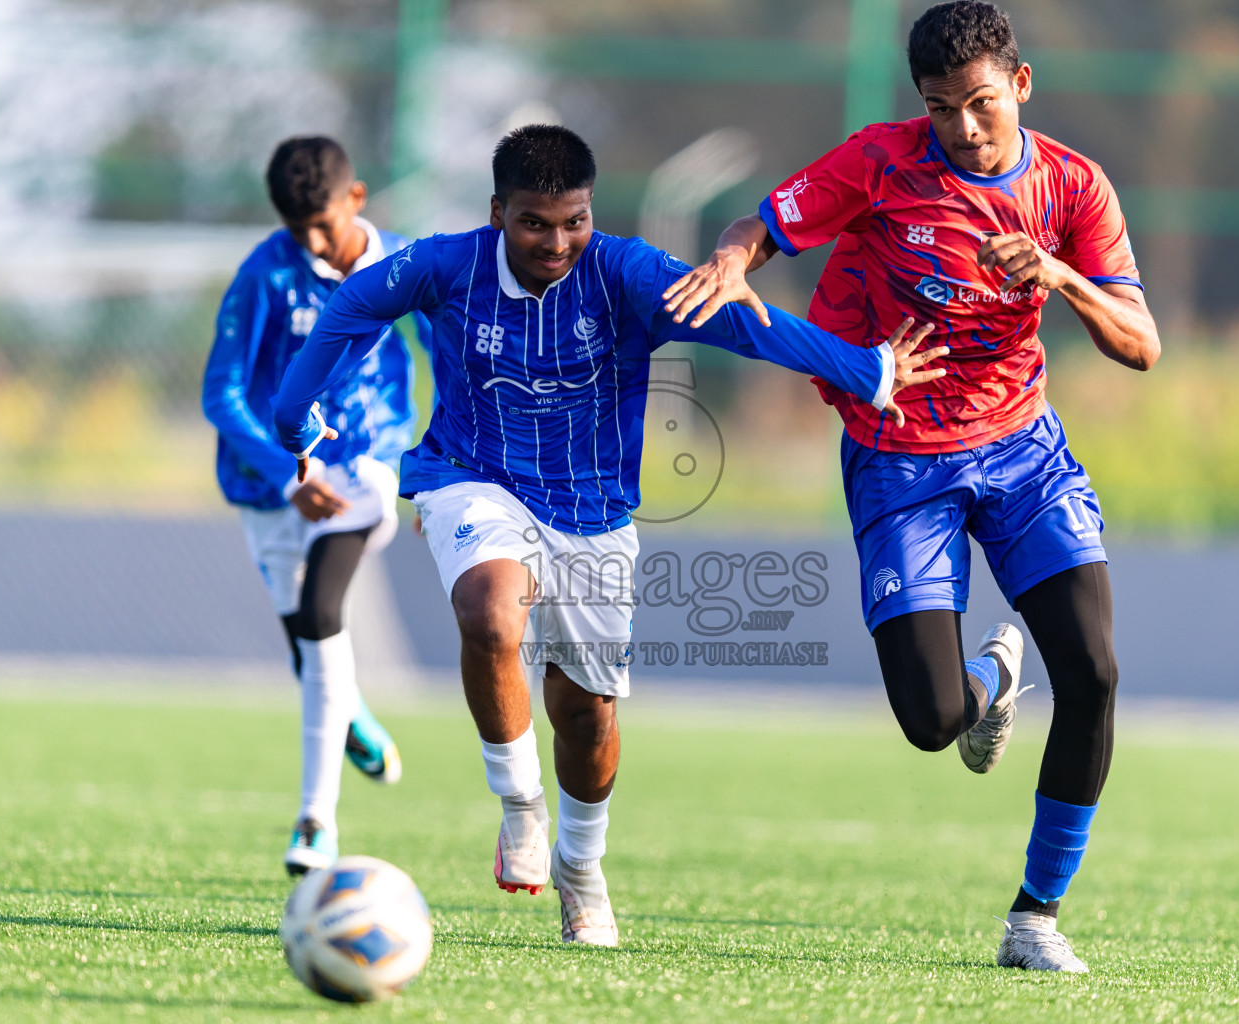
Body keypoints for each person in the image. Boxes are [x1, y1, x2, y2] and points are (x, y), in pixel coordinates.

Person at [272, 124, 940, 946]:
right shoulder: (448, 266)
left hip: (593, 511)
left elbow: (746, 327)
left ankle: (581, 870)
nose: (556, 242)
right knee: (490, 613)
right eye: (534, 224)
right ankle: (519, 805)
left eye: (573, 222)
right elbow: (350, 305)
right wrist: (291, 411)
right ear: (497, 213)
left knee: (586, 715)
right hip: (470, 475)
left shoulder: (627, 273)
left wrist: (866, 370)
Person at [663, 1, 1160, 972]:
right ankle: (986, 685)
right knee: (934, 722)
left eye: (980, 104)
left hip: (1024, 452)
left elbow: (1141, 345)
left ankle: (1036, 916)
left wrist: (1057, 274)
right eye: (942, 109)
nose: (965, 129)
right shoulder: (883, 161)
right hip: (899, 458)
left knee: (1096, 672)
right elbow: (758, 224)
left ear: (1019, 85)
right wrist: (729, 259)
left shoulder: (1073, 187)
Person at [201, 135, 426, 876]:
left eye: (325, 224)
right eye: (300, 231)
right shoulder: (264, 275)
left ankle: (314, 822)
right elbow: (222, 393)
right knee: (307, 638)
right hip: (271, 483)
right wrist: (288, 471)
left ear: (356, 199)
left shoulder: (407, 265)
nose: (316, 243)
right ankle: (351, 713)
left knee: (323, 614)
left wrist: (438, 460)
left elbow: (453, 355)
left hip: (367, 464)